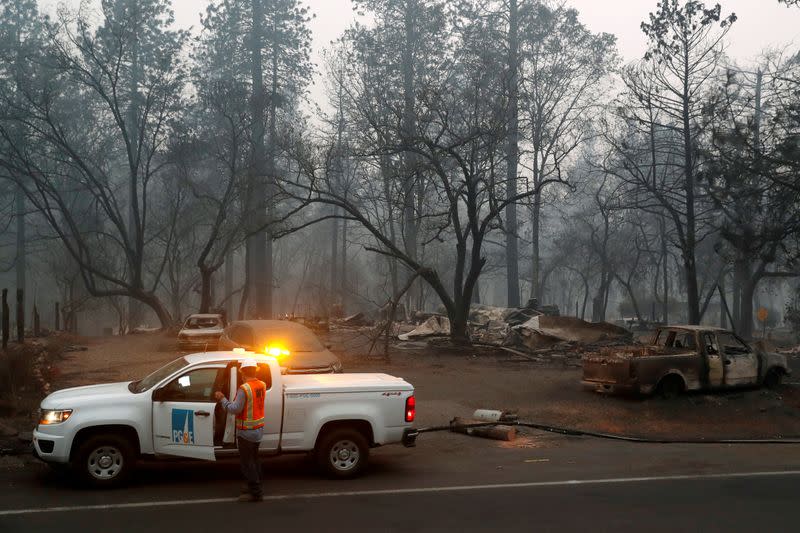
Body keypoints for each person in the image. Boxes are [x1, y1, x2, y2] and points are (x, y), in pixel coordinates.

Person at [214, 358, 266, 502]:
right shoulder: (261, 384)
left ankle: (256, 493)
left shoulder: (244, 389)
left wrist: (222, 399)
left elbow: (234, 409)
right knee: (254, 460)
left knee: (247, 463)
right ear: (255, 371)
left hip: (247, 432)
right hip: (258, 431)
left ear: (243, 372)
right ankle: (254, 484)